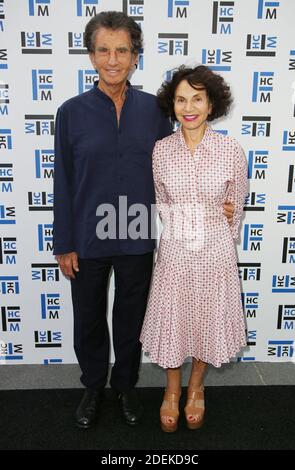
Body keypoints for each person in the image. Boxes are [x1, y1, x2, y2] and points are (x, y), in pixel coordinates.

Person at [53, 11, 235, 429]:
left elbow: (180, 162)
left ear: (136, 57)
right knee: (89, 318)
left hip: (138, 233)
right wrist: (64, 242)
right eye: (103, 50)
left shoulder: (155, 110)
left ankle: (125, 388)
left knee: (130, 321)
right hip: (87, 235)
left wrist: (218, 204)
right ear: (91, 55)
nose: (112, 59)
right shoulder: (71, 112)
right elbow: (62, 178)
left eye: (122, 50)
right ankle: (93, 388)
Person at [140, 65, 248, 432]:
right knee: (173, 322)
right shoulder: (161, 151)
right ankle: (172, 390)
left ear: (211, 103)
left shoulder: (231, 149)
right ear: (172, 105)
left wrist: (219, 226)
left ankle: (196, 387)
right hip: (175, 249)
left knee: (207, 320)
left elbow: (237, 205)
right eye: (181, 99)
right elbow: (162, 203)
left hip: (216, 250)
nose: (189, 107)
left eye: (197, 99)